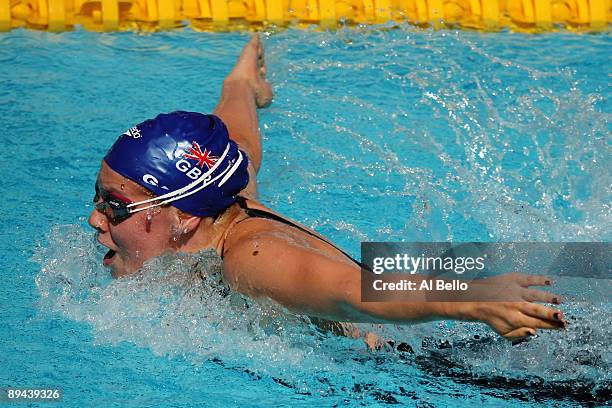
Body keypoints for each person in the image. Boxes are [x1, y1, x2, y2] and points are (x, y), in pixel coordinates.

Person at [89, 34, 566, 343]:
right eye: (98, 199)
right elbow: (240, 141)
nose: (96, 220)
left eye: (115, 207)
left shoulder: (250, 260)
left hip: (452, 363)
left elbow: (350, 291)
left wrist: (472, 299)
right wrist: (240, 86)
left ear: (184, 216)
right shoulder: (225, 195)